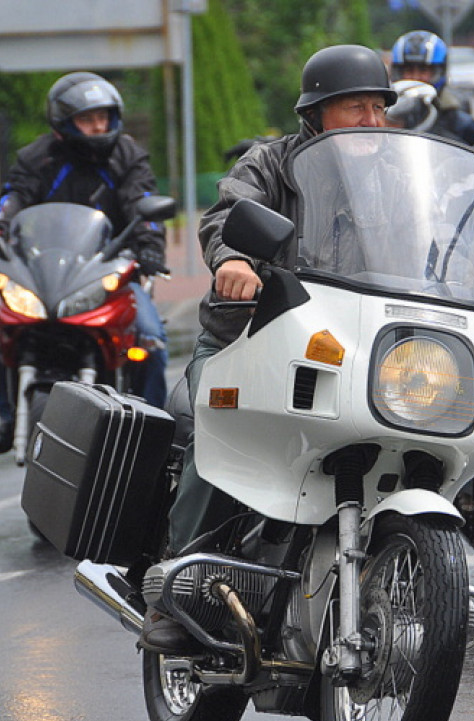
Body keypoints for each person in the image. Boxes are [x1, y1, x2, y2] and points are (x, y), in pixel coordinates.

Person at [140, 44, 397, 653]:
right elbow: (226, 214)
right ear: (316, 113)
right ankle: (176, 590)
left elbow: (437, 244)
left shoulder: (395, 179)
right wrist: (233, 259)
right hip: (250, 338)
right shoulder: (272, 163)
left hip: (352, 346)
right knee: (220, 432)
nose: (372, 120)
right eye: (355, 108)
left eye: (379, 108)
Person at [0, 72, 170, 454]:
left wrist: (150, 246)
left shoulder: (128, 158)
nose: (99, 126)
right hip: (46, 270)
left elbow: (144, 203)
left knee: (150, 338)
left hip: (110, 267)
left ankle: (159, 430)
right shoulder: (37, 158)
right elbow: (13, 198)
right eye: (88, 119)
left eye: (104, 117)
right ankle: (6, 417)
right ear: (63, 122)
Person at [390, 30, 474, 145]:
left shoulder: (460, 123)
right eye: (408, 70)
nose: (415, 77)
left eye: (423, 70)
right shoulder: (385, 116)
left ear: (440, 71)